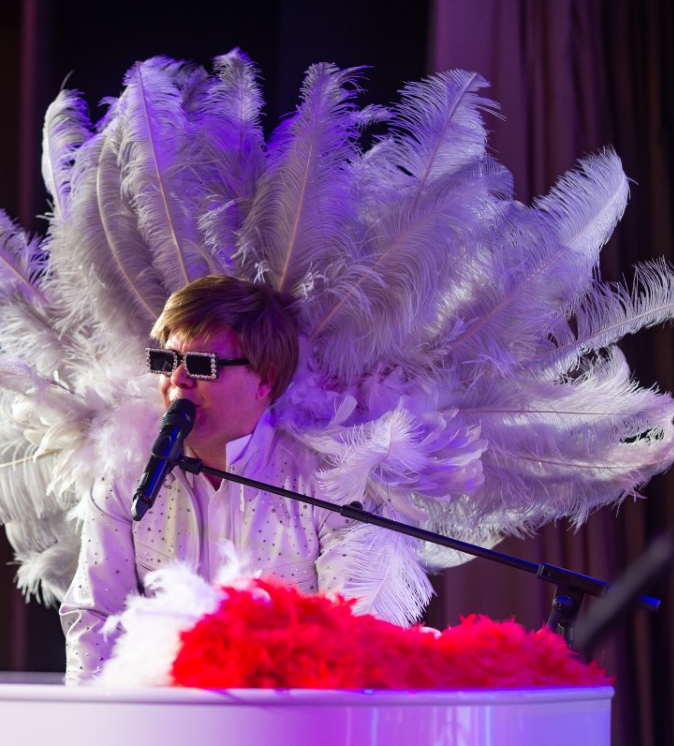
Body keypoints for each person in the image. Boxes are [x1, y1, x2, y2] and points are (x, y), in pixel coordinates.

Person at [59, 274, 413, 684]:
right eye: (166, 362)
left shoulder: (333, 484)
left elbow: (355, 636)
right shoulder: (125, 476)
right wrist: (95, 716)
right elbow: (95, 615)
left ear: (265, 378)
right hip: (158, 713)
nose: (178, 380)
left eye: (201, 365)